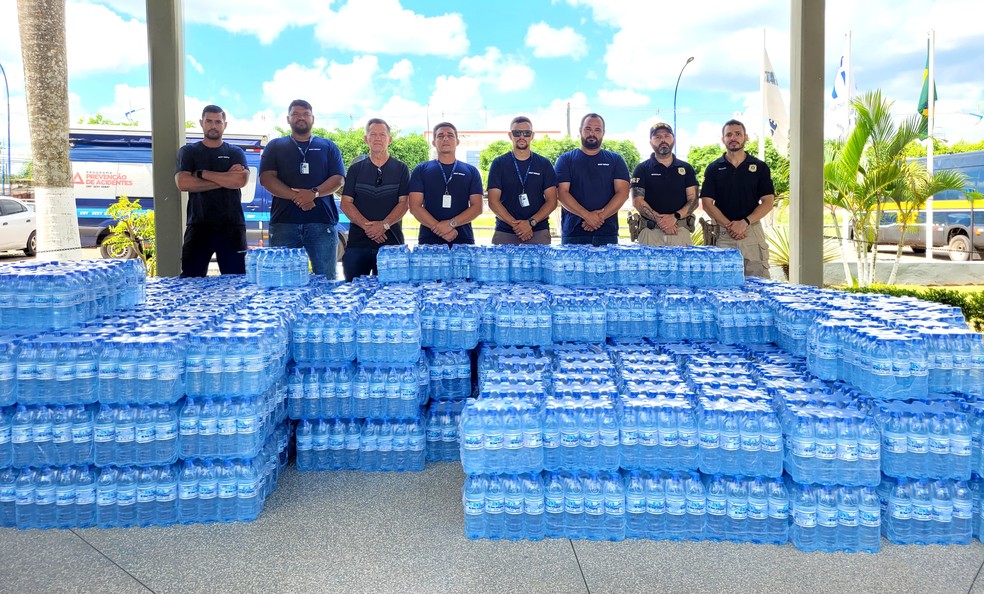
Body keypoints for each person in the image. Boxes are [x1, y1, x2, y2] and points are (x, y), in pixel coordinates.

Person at [259, 99, 345, 278]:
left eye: (306, 114)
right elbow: (266, 179)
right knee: (283, 281)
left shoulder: (328, 146)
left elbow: (338, 179)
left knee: (326, 280)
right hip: (284, 224)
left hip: (321, 223)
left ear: (313, 119)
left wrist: (313, 193)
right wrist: (297, 197)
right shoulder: (274, 146)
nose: (301, 118)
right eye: (296, 114)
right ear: (288, 119)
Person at [174, 105, 250, 277]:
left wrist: (203, 174)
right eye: (209, 121)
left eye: (218, 122)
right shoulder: (189, 152)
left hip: (232, 227)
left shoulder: (235, 152)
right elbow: (183, 183)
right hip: (198, 226)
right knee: (191, 282)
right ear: (201, 123)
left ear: (225, 125)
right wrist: (226, 179)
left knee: (235, 282)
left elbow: (240, 180)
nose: (213, 126)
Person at [700, 119, 776, 277]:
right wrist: (730, 226)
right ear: (723, 139)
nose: (733, 137)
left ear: (745, 137)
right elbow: (707, 204)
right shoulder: (714, 168)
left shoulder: (760, 167)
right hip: (722, 233)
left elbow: (768, 202)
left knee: (758, 285)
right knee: (722, 285)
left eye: (737, 134)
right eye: (728, 134)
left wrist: (744, 223)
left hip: (751, 231)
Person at [339, 118, 410, 281]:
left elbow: (404, 203)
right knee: (354, 295)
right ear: (366, 139)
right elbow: (346, 203)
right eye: (373, 134)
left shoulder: (401, 169)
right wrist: (368, 227)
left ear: (389, 140)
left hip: (391, 246)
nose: (378, 138)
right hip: (358, 246)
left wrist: (383, 225)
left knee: (391, 296)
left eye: (382, 134)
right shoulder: (355, 169)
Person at [554, 113, 630, 246]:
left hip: (607, 233)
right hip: (574, 234)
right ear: (580, 130)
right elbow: (561, 193)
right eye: (588, 129)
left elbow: (622, 193)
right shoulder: (565, 160)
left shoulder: (616, 160)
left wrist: (599, 218)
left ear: (603, 133)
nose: (592, 134)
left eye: (597, 130)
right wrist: (587, 216)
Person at [486, 116, 558, 245]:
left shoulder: (544, 164)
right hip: (505, 231)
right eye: (517, 133)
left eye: (526, 133)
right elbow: (493, 201)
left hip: (538, 231)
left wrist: (530, 223)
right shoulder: (499, 163)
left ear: (532, 135)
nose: (522, 136)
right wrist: (517, 226)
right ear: (510, 135)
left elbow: (552, 201)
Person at [408, 122, 483, 245]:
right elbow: (415, 206)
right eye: (440, 136)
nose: (445, 138)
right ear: (433, 142)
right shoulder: (421, 169)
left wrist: (450, 224)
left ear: (457, 141)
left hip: (463, 239)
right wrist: (439, 228)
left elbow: (477, 207)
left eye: (450, 135)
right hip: (429, 239)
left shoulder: (471, 171)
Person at [630, 122, 699, 246]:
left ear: (674, 140)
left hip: (679, 231)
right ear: (651, 142)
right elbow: (637, 201)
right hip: (650, 233)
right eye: (657, 137)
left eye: (667, 136)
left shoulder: (686, 168)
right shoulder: (642, 169)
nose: (663, 140)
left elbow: (693, 200)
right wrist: (662, 222)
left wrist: (674, 217)